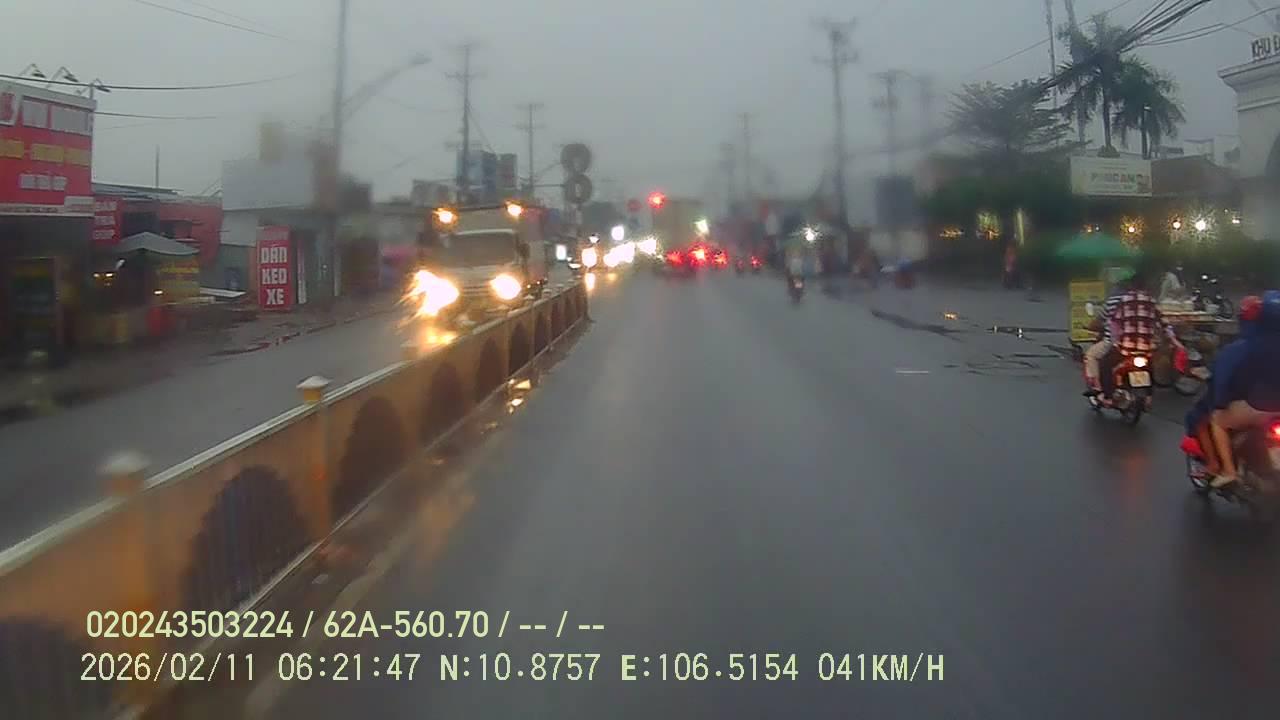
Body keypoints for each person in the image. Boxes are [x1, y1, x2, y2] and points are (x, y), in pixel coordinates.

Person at [1194, 291, 1280, 487]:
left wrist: (1221, 402)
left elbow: (1232, 380)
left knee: (1217, 420)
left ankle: (1229, 471)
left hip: (1259, 406)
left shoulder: (1248, 344)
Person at [1083, 270, 1183, 396]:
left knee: (1105, 364)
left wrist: (1115, 342)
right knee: (1149, 364)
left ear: (1130, 286)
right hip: (1146, 348)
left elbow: (1114, 323)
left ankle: (1105, 394)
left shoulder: (1124, 300)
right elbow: (1164, 323)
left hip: (1126, 348)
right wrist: (1175, 341)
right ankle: (1149, 395)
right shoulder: (1152, 301)